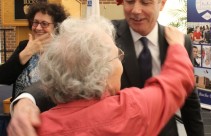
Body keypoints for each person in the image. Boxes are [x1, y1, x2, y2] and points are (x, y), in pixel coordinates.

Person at [8, 0, 204, 136]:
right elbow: (63, 74)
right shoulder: (100, 35)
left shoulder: (179, 41)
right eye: (129, 0)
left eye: (145, 2)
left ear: (162, 3)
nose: (135, 10)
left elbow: (190, 101)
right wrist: (27, 100)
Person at [32, 16, 193, 135]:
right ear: (101, 73)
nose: (121, 62)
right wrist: (178, 47)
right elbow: (176, 82)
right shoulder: (130, 110)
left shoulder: (33, 128)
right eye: (117, 55)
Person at [0, 0, 69, 100]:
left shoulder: (63, 51)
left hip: (50, 113)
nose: (38, 28)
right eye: (35, 22)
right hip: (20, 112)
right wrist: (26, 54)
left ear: (56, 27)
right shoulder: (24, 46)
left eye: (44, 23)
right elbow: (3, 78)